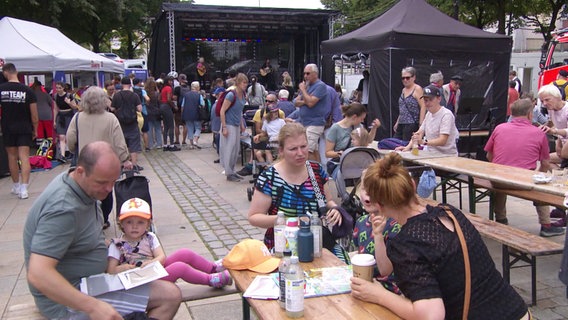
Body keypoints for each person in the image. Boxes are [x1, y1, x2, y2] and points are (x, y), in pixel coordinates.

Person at [350, 152, 530, 320]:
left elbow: (431, 315)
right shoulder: (450, 212)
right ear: (413, 186)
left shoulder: (405, 244)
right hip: (518, 311)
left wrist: (380, 295)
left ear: (378, 205)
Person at [23, 141, 181, 319]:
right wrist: (93, 307)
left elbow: (80, 237)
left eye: (113, 181)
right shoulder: (63, 208)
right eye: (102, 182)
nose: (109, 189)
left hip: (90, 282)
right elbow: (38, 273)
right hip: (67, 299)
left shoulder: (82, 186)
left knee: (169, 292)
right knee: (168, 297)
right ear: (81, 171)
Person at [248, 122, 344, 251]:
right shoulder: (269, 178)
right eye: (293, 149)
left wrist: (335, 209)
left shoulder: (316, 170)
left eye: (303, 146)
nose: (300, 153)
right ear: (281, 150)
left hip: (316, 244)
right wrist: (287, 220)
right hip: (282, 246)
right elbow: (254, 217)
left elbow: (328, 201)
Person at [108, 197, 233, 288]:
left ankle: (212, 268)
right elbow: (110, 270)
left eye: (140, 222)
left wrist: (152, 262)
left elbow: (161, 257)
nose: (134, 227)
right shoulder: (117, 244)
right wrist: (123, 268)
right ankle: (211, 280)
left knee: (185, 253)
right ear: (121, 223)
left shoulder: (149, 237)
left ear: (147, 224)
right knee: (179, 267)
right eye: (129, 222)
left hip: (153, 271)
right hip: (141, 283)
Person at [484, 98, 564, 236]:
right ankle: (546, 225)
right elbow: (545, 163)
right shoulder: (538, 133)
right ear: (530, 114)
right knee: (541, 185)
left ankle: (501, 218)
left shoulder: (499, 128)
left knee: (500, 181)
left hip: (499, 180)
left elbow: (489, 156)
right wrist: (538, 175)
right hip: (523, 180)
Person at [67, 86, 133, 229]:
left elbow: (70, 139)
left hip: (84, 162)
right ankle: (103, 219)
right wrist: (125, 159)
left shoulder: (77, 117)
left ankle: (87, 220)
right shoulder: (110, 118)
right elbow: (119, 141)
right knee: (106, 191)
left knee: (83, 191)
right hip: (105, 163)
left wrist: (73, 150)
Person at [352, 170, 401, 294]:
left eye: (374, 190)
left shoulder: (395, 225)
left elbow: (386, 270)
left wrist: (378, 235)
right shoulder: (361, 222)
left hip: (389, 292)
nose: (368, 193)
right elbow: (361, 258)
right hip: (366, 285)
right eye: (364, 188)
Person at [0, 63, 38, 199]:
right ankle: (24, 189)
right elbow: (34, 114)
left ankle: (16, 185)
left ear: (5, 73)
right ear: (16, 72)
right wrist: (35, 129)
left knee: (12, 157)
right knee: (24, 157)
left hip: (8, 127)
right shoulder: (28, 90)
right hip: (24, 127)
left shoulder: (1, 89)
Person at [396, 85, 459, 156]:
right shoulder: (428, 114)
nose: (427, 103)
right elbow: (419, 133)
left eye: (431, 100)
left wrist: (424, 142)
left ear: (439, 99)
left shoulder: (446, 115)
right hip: (431, 155)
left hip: (447, 156)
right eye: (425, 100)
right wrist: (407, 148)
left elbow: (443, 140)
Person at [325, 103, 380, 176]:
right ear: (354, 117)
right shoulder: (335, 128)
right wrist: (340, 153)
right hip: (341, 164)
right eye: (361, 119)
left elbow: (367, 140)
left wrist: (374, 128)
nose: (362, 121)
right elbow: (327, 153)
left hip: (357, 163)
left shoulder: (359, 126)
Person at [294, 63, 329, 162]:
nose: (305, 76)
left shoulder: (320, 86)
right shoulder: (308, 86)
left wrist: (303, 91)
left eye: (308, 73)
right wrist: (306, 100)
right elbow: (295, 102)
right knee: (314, 150)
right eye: (304, 74)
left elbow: (310, 103)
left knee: (307, 150)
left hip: (315, 123)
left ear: (315, 74)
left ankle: (310, 172)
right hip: (305, 122)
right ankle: (320, 173)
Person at [220, 73, 248, 182]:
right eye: (243, 82)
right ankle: (228, 172)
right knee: (229, 149)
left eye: (246, 82)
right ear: (238, 83)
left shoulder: (243, 94)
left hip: (236, 123)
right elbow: (222, 111)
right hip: (229, 123)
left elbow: (239, 111)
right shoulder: (231, 95)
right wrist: (224, 127)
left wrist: (241, 124)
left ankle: (232, 170)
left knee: (236, 149)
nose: (245, 85)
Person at [111, 77, 143, 170]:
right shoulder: (134, 95)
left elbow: (112, 109)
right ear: (130, 84)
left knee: (121, 143)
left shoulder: (117, 95)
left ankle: (122, 163)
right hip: (132, 122)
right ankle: (134, 164)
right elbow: (140, 109)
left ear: (121, 84)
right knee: (134, 144)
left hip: (120, 123)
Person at [538, 84, 568, 167]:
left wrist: (554, 131)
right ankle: (560, 175)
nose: (544, 103)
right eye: (542, 101)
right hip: (563, 143)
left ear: (557, 97)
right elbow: (557, 125)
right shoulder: (551, 110)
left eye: (547, 100)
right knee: (545, 159)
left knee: (564, 154)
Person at [393, 67, 425, 141]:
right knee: (395, 142)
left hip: (412, 123)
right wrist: (398, 122)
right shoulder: (403, 90)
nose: (405, 80)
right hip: (402, 122)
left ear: (414, 77)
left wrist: (421, 122)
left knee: (406, 144)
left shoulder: (417, 89)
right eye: (403, 78)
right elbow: (402, 107)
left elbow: (423, 106)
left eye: (407, 78)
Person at [54, 81, 78, 162]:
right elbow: (55, 109)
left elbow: (75, 107)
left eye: (59, 88)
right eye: (57, 88)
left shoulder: (69, 95)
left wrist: (69, 103)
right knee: (61, 136)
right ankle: (62, 155)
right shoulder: (55, 96)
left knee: (70, 135)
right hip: (61, 116)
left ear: (63, 88)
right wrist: (54, 120)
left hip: (69, 115)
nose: (58, 89)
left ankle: (73, 153)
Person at [181, 81, 205, 149]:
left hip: (187, 114)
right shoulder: (199, 95)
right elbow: (202, 105)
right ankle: (195, 140)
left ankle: (191, 144)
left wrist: (182, 114)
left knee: (190, 128)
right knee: (198, 128)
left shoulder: (186, 95)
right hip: (196, 114)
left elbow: (182, 105)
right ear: (197, 87)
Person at [160, 76, 180, 151]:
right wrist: (174, 106)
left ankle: (165, 144)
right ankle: (171, 145)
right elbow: (168, 99)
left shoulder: (163, 88)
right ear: (168, 81)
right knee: (171, 125)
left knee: (165, 126)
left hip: (162, 106)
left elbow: (160, 98)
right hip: (167, 107)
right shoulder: (169, 88)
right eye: (170, 81)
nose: (171, 82)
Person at [144, 77, 163, 150]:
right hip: (156, 112)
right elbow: (159, 103)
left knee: (149, 129)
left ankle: (150, 144)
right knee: (158, 128)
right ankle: (159, 143)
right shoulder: (157, 93)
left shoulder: (145, 93)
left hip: (148, 112)